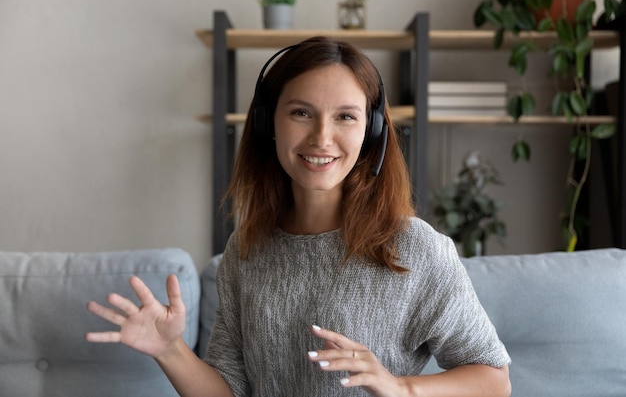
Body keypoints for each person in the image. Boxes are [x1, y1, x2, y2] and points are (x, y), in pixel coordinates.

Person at [86, 36, 511, 397]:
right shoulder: (246, 250)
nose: (322, 138)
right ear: (267, 122)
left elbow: (494, 378)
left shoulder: (414, 248)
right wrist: (169, 350)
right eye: (301, 113)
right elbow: (228, 390)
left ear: (372, 131)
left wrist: (401, 388)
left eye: (345, 116)